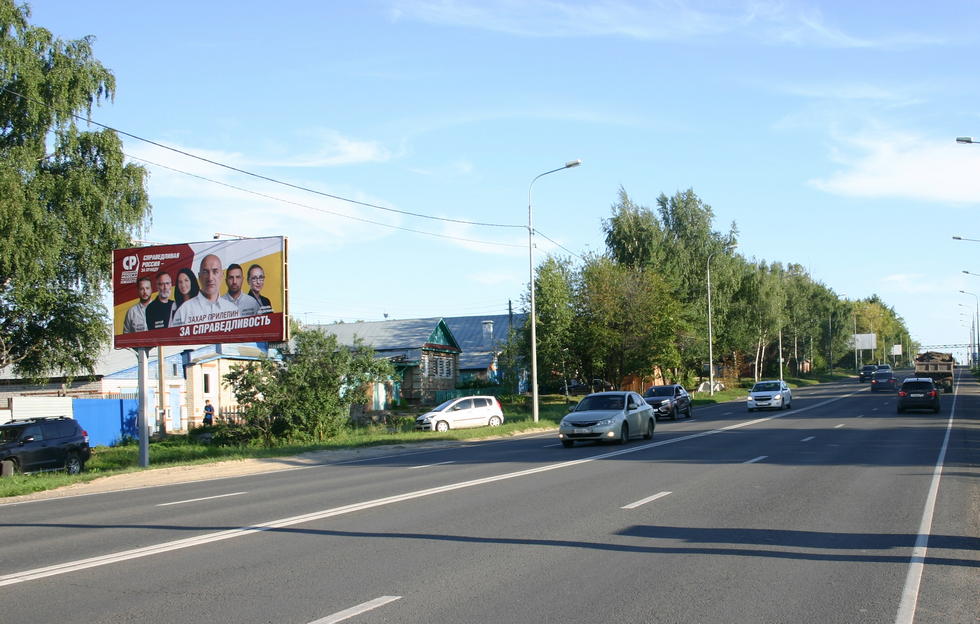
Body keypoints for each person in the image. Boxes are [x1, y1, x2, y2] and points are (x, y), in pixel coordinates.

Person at [171, 254, 239, 326]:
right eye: (205, 272)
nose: (210, 278)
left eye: (215, 272)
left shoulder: (233, 310)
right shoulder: (183, 311)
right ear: (199, 276)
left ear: (222, 276)